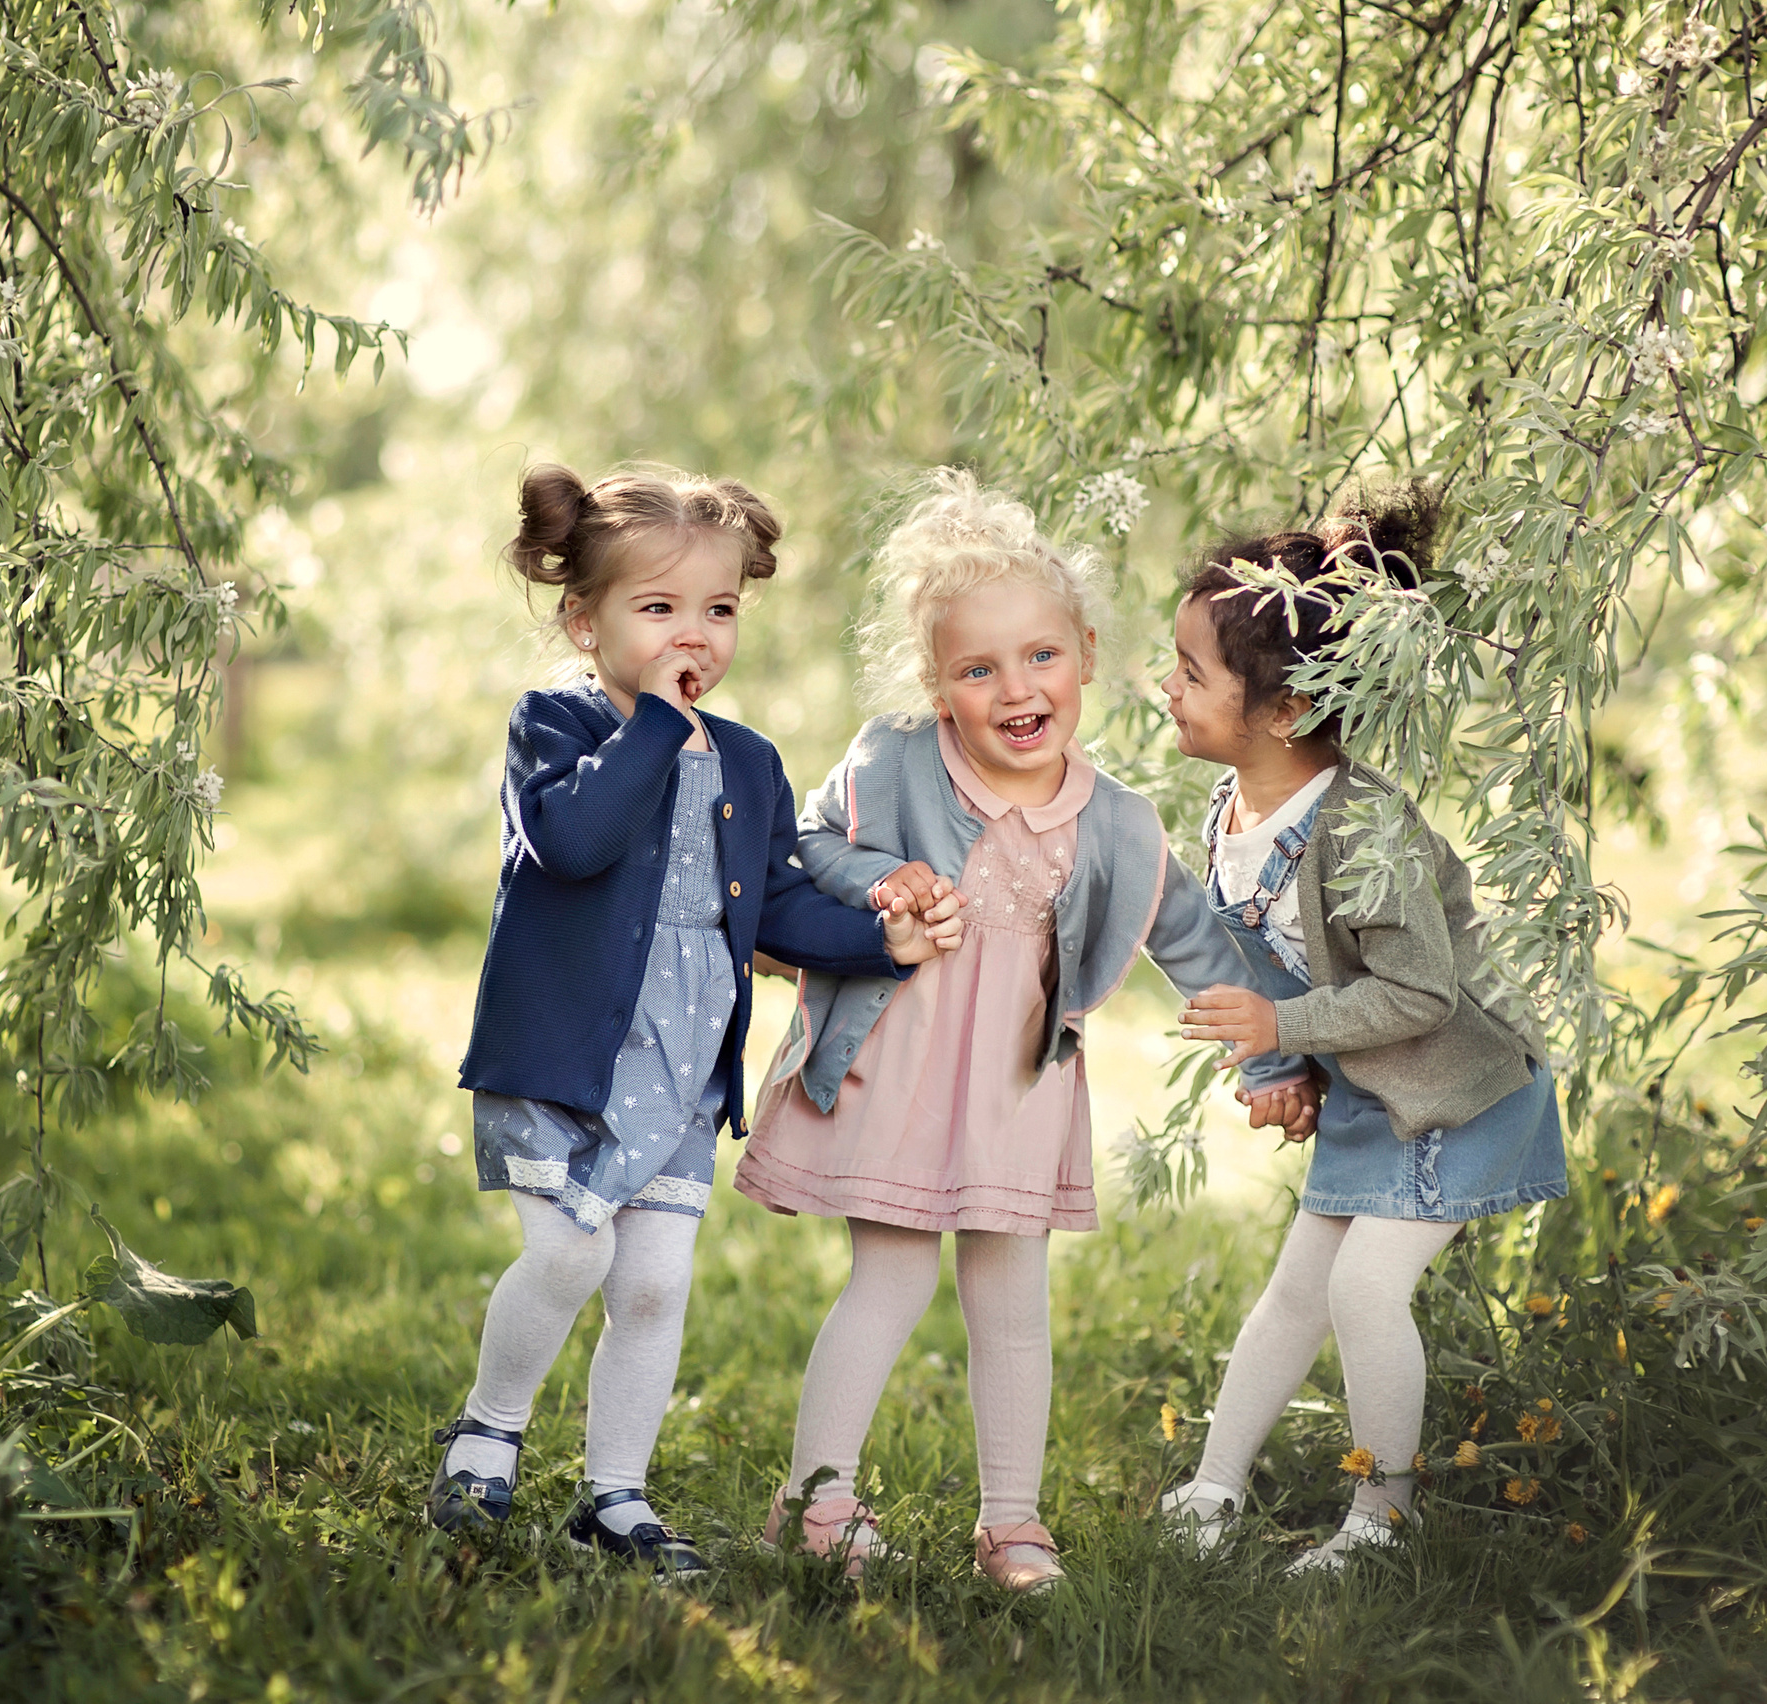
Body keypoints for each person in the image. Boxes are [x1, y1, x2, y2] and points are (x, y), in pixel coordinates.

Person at [735, 469, 1312, 1591]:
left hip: (1013, 1091)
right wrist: (876, 883)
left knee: (1011, 1304)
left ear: (1087, 653)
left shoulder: (1116, 823)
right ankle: (815, 1506)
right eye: (978, 668)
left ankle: (1012, 1522)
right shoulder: (895, 758)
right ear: (937, 686)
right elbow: (804, 848)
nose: (1015, 687)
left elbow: (1200, 945)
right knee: (889, 1281)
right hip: (896, 1073)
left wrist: (1281, 1055)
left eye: (1040, 656)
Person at [430, 463, 964, 1576]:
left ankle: (614, 1491)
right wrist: (650, 730)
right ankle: (489, 1426)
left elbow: (772, 904)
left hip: (678, 1069)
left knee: (654, 1281)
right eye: (659, 608)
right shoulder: (556, 727)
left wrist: (882, 941)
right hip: (565, 1057)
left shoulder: (751, 762)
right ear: (584, 620)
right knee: (570, 1258)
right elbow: (569, 845)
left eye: (717, 609)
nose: (696, 634)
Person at [1158, 484, 1567, 1573]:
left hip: (1457, 1089)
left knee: (1359, 1288)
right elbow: (1259, 961)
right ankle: (1210, 1488)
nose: (1168, 688)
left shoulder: (1363, 826)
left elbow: (1421, 994)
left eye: (1193, 674)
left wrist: (1283, 1020)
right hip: (1370, 1092)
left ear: (1282, 712)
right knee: (1297, 1290)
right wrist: (1284, 1066)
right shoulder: (1233, 813)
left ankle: (1382, 1521)